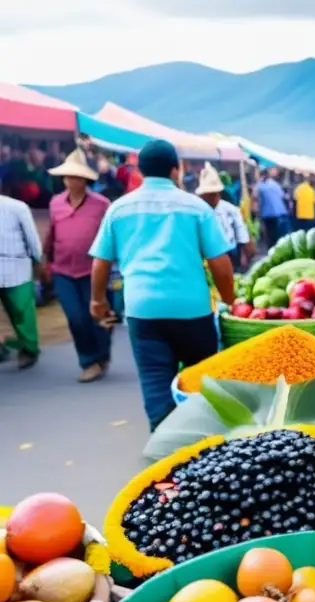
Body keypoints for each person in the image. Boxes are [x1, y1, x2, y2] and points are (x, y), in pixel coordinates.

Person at [89, 140, 235, 431]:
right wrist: (230, 299)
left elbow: (101, 262)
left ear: (141, 171)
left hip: (143, 311)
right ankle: (206, 446)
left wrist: (97, 302)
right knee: (199, 379)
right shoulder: (197, 207)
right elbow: (220, 262)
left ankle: (165, 447)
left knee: (155, 380)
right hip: (193, 310)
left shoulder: (119, 209)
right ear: (175, 169)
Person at [44, 149, 112, 382]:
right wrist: (45, 262)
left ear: (84, 179)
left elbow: (111, 237)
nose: (71, 181)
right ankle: (88, 360)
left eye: (75, 176)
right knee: (75, 317)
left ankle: (102, 353)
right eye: (67, 177)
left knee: (100, 315)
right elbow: (51, 235)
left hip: (94, 270)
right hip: (63, 270)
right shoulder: (55, 204)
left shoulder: (102, 204)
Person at [0, 190, 43, 369]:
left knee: (22, 313)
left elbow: (32, 238)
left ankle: (29, 348)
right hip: (15, 264)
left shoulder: (17, 207)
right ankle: (19, 348)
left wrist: (38, 259)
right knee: (22, 313)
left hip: (15, 264)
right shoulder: (18, 207)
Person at [196, 162, 253, 273]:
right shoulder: (197, 212)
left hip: (229, 254)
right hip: (205, 258)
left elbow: (242, 235)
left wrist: (246, 255)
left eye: (213, 194)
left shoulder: (230, 210)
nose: (211, 198)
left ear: (219, 193)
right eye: (207, 195)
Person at [256, 168, 289, 247]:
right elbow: (283, 196)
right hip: (280, 212)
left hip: (268, 214)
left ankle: (272, 248)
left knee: (271, 234)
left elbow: (255, 196)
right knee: (278, 234)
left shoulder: (260, 186)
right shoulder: (275, 184)